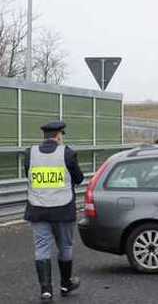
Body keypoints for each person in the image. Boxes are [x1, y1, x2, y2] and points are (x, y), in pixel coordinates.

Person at [24, 121, 84, 301]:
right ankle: (65, 285)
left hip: (38, 209)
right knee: (65, 246)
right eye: (61, 135)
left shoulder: (30, 153)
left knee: (42, 248)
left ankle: (46, 290)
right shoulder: (67, 153)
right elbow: (79, 178)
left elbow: (28, 173)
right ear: (58, 135)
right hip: (62, 210)